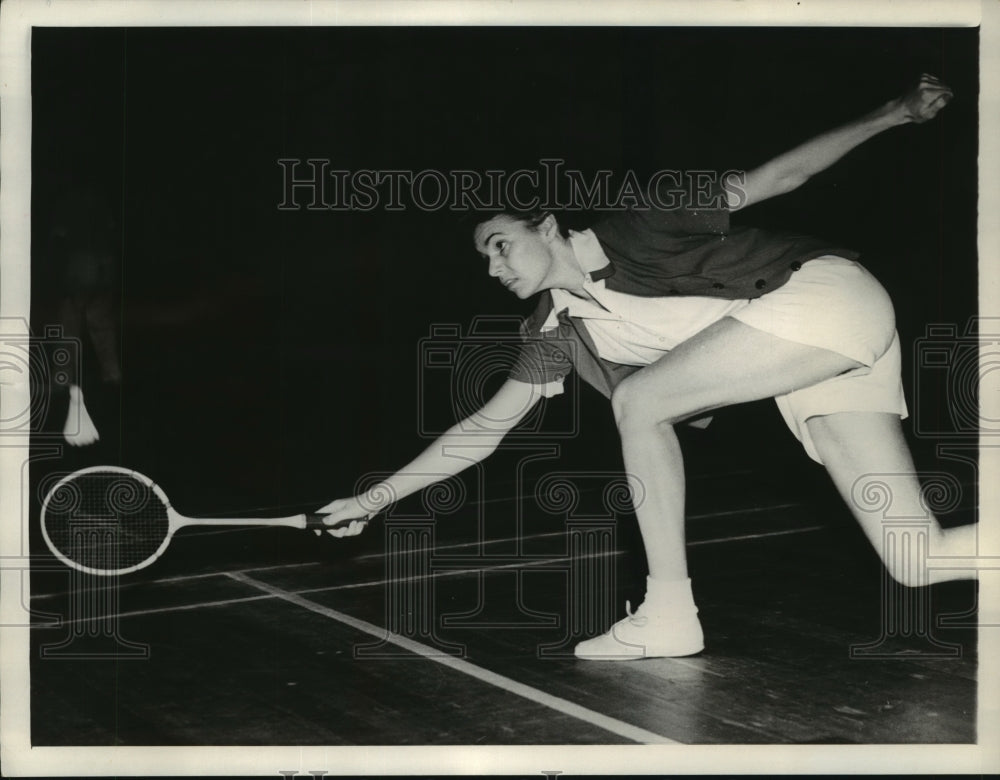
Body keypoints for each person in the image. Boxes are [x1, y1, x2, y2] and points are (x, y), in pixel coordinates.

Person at [317, 74, 976, 660]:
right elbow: (484, 429)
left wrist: (895, 112)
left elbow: (777, 178)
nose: (494, 269)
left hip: (825, 296)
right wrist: (372, 500)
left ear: (545, 226)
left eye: (501, 246)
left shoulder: (643, 222)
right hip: (819, 358)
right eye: (485, 261)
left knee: (639, 401)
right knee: (917, 557)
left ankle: (669, 613)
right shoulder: (555, 327)